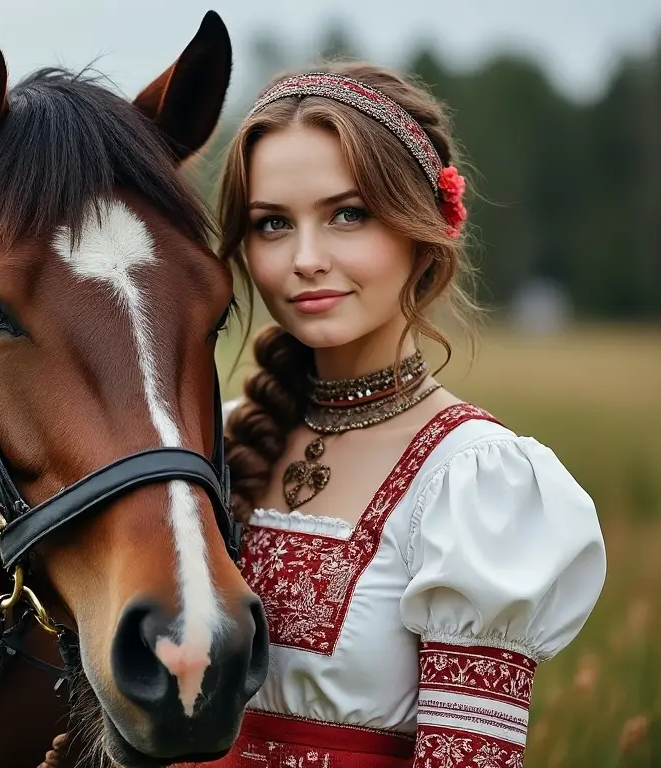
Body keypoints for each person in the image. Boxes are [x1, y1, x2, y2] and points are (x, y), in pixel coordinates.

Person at [203, 63, 607, 767]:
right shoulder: (209, 440)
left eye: (347, 214)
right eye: (272, 224)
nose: (304, 259)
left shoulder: (474, 481)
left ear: (426, 226)